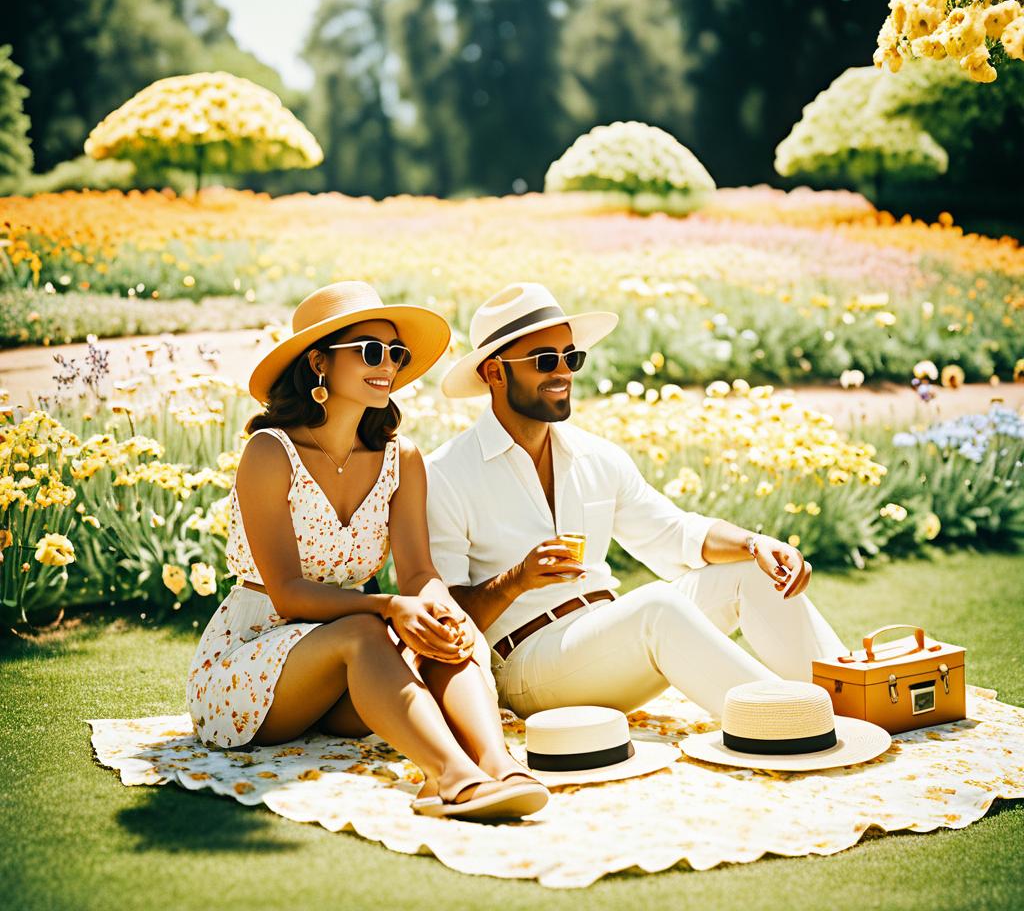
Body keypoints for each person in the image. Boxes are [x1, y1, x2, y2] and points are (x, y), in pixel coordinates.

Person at [186, 281, 548, 821]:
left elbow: (420, 572)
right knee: (368, 630)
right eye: (371, 351)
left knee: (446, 624)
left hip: (349, 672)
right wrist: (387, 607)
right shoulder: (270, 451)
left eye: (395, 354)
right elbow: (286, 595)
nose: (388, 366)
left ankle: (499, 765)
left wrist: (433, 607)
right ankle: (450, 779)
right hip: (250, 666)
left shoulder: (403, 458)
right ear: (319, 363)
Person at [425, 283, 849, 721]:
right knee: (657, 608)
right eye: (545, 361)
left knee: (753, 571)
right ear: (495, 373)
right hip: (525, 665)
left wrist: (756, 544)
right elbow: (445, 615)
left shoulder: (596, 456)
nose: (564, 373)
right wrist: (517, 580)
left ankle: (851, 699)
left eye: (571, 358)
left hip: (610, 645)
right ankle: (790, 721)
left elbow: (674, 533)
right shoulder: (446, 474)